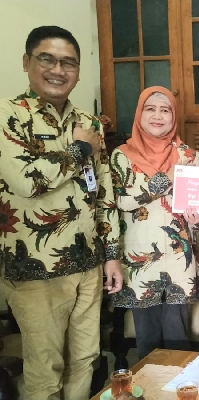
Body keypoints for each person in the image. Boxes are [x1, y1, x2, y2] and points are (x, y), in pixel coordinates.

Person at [0, 26, 123, 400]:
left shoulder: (88, 123)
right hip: (37, 270)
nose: (58, 70)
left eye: (68, 62)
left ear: (78, 72)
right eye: (47, 59)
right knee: (45, 368)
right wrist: (78, 151)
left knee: (85, 360)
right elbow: (27, 182)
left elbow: (103, 193)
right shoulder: (9, 115)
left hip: (88, 265)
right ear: (27, 62)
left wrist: (112, 255)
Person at [109, 86, 199, 360]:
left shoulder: (188, 156)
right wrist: (167, 179)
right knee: (147, 341)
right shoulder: (122, 156)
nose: (157, 116)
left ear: (173, 116)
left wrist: (198, 219)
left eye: (165, 110)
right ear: (139, 114)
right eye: (150, 109)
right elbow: (121, 201)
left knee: (178, 339)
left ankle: (180, 383)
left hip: (178, 262)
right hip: (140, 263)